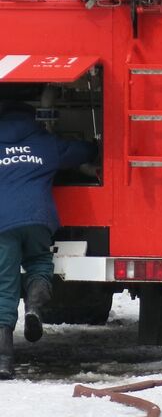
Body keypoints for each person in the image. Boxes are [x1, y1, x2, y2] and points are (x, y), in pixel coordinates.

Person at [0, 101, 97, 380]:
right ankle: (33, 307)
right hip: (38, 218)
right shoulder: (44, 143)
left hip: (3, 224)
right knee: (40, 262)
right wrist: (94, 146)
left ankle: (4, 361)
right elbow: (81, 151)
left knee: (4, 287)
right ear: (34, 121)